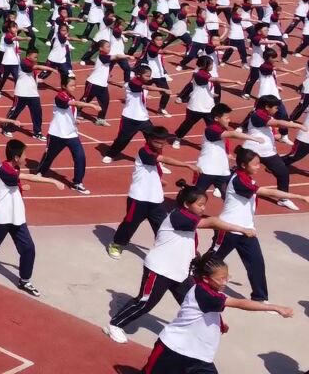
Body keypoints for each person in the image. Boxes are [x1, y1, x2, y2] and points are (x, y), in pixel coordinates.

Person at [105, 186, 255, 344]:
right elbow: (212, 222)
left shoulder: (189, 221)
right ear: (186, 204)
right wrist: (242, 229)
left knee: (196, 303)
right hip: (159, 269)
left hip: (181, 273)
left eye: (204, 204)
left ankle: (203, 330)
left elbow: (187, 244)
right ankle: (114, 325)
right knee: (145, 303)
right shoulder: (178, 216)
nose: (203, 208)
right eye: (200, 204)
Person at [140, 255, 294, 374]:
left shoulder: (209, 293)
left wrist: (220, 323)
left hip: (200, 357)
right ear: (206, 279)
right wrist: (275, 308)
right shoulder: (203, 293)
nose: (225, 282)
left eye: (227, 277)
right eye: (221, 279)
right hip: (173, 350)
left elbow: (207, 310)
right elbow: (239, 303)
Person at [206, 148, 309, 304]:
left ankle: (260, 297)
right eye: (254, 164)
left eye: (259, 164)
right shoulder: (239, 181)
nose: (258, 167)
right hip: (228, 229)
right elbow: (268, 192)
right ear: (243, 165)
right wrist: (298, 196)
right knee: (213, 260)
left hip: (247, 231)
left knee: (256, 263)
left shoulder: (246, 178)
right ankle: (195, 279)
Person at [0, 139, 63, 297]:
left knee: (28, 248)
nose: (26, 157)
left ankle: (25, 280)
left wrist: (20, 187)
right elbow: (26, 177)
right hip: (1, 216)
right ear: (16, 157)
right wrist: (52, 181)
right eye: (24, 154)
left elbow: (13, 183)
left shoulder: (13, 168)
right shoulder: (4, 170)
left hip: (17, 216)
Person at [108, 127, 197, 260]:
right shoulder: (144, 151)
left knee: (162, 226)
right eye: (157, 142)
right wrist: (187, 165)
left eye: (163, 143)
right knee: (130, 223)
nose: (160, 145)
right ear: (149, 139)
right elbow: (163, 159)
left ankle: (165, 250)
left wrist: (159, 181)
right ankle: (117, 244)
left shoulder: (156, 150)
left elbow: (151, 170)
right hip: (139, 198)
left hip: (156, 199)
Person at [34, 78, 101, 194]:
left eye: (75, 85)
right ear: (64, 86)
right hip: (57, 134)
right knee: (49, 155)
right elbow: (72, 104)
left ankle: (77, 183)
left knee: (80, 157)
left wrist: (75, 120)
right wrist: (91, 106)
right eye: (71, 85)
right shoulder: (60, 96)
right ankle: (40, 172)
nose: (74, 87)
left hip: (71, 134)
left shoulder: (71, 97)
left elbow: (69, 112)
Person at [239, 94, 306, 210]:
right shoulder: (258, 115)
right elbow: (277, 123)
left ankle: (283, 199)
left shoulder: (265, 115)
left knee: (283, 173)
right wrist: (295, 125)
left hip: (268, 152)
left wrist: (276, 136)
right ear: (267, 107)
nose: (277, 110)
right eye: (275, 107)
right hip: (252, 151)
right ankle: (222, 186)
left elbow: (267, 128)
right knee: (241, 172)